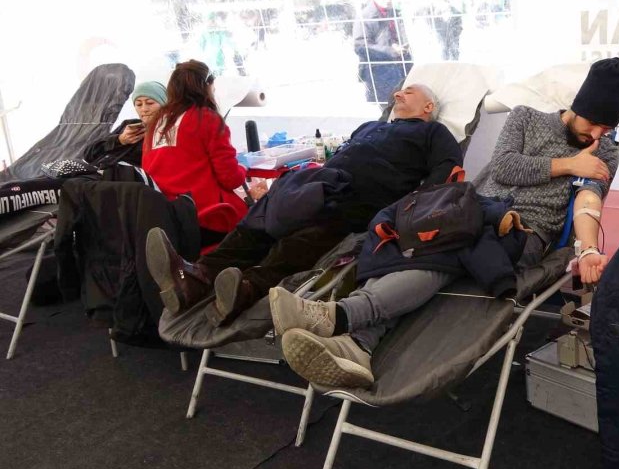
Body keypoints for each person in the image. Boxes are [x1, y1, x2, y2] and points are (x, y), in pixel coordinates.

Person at [271, 58, 619, 388]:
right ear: (578, 106)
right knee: (411, 245)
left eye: (608, 128)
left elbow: (589, 200)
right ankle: (357, 348)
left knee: (446, 249)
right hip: (471, 210)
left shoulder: (603, 151)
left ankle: (341, 318)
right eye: (594, 123)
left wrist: (588, 249)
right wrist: (569, 164)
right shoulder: (525, 117)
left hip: (522, 230)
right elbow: (506, 166)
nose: (598, 136)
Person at [146, 84, 462, 328]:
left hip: (361, 195)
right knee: (260, 218)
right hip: (318, 181)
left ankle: (246, 289)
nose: (398, 93)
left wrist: (407, 215)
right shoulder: (369, 126)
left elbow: (446, 176)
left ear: (428, 106)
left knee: (308, 237)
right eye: (399, 90)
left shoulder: (433, 132)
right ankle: (196, 276)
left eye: (408, 91)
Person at [142, 60, 247, 245]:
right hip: (206, 216)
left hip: (166, 218)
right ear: (206, 86)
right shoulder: (206, 118)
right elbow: (230, 178)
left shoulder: (157, 121)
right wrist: (243, 169)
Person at [83, 81, 167, 168]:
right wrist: (119, 140)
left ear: (164, 104)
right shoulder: (130, 125)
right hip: (100, 173)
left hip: (126, 178)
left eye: (150, 103)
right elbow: (88, 155)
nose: (144, 109)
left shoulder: (168, 131)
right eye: (138, 104)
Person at [353, 0, 411, 105]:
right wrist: (390, 50)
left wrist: (403, 46)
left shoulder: (394, 12)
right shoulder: (365, 16)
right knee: (388, 112)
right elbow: (360, 46)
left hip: (401, 69)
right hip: (380, 74)